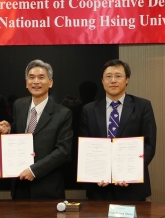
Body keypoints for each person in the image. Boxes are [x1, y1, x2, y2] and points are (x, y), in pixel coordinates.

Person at [79, 59, 157, 201]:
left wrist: (132, 173)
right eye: (108, 76)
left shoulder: (143, 106)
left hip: (133, 188)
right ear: (102, 81)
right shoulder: (89, 110)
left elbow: (149, 145)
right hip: (99, 188)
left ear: (127, 79)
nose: (113, 80)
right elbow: (85, 147)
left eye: (118, 76)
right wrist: (94, 174)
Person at [10, 59, 73, 199]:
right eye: (31, 77)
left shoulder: (63, 113)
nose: (36, 82)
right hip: (20, 184)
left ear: (50, 82)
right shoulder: (18, 105)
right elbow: (16, 136)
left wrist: (34, 170)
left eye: (41, 77)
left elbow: (63, 151)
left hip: (47, 186)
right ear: (26, 82)